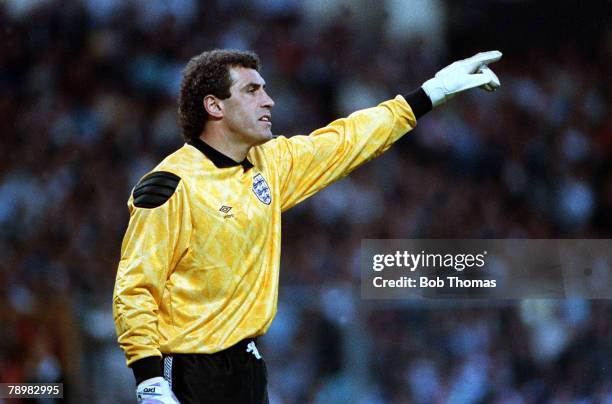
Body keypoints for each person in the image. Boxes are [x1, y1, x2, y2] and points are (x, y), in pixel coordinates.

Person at [112, 48, 502, 403]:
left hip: (247, 366)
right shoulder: (170, 186)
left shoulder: (271, 164)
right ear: (214, 106)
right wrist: (149, 380)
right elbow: (134, 288)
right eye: (251, 91)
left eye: (265, 89)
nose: (269, 100)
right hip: (189, 372)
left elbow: (348, 140)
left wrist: (429, 94)